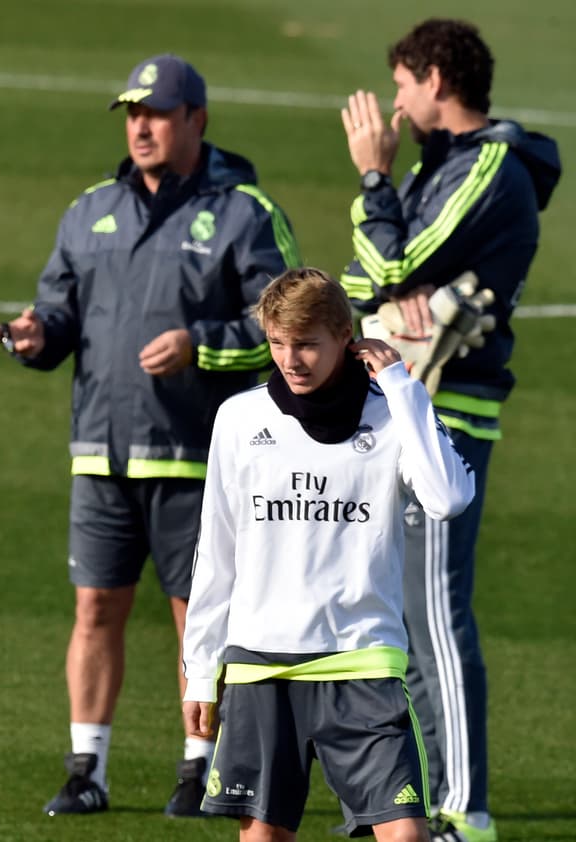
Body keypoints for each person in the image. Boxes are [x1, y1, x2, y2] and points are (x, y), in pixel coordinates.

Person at [0, 53, 300, 816]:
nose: (140, 127)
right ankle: (86, 769)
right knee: (95, 608)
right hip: (101, 451)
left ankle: (203, 769)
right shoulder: (89, 209)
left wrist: (202, 345)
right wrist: (36, 338)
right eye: (132, 113)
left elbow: (291, 326)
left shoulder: (245, 213)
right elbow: (57, 314)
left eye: (156, 114)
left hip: (200, 459)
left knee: (199, 614)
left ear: (197, 120)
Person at [339, 19, 561, 841]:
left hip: (449, 413)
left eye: (400, 85)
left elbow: (390, 267)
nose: (393, 105)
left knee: (434, 615)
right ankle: (410, 803)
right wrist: (390, 264)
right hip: (404, 398)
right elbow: (366, 281)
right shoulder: (447, 170)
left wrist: (372, 179)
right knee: (394, 621)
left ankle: (464, 811)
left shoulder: (493, 168)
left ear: (436, 78)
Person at [181, 267, 475, 841]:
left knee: (408, 834)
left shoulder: (393, 412)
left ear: (346, 335)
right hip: (261, 665)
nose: (291, 359)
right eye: (277, 343)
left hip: (363, 662)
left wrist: (403, 387)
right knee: (264, 836)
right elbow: (216, 552)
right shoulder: (239, 419)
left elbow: (449, 498)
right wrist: (199, 670)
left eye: (307, 344)